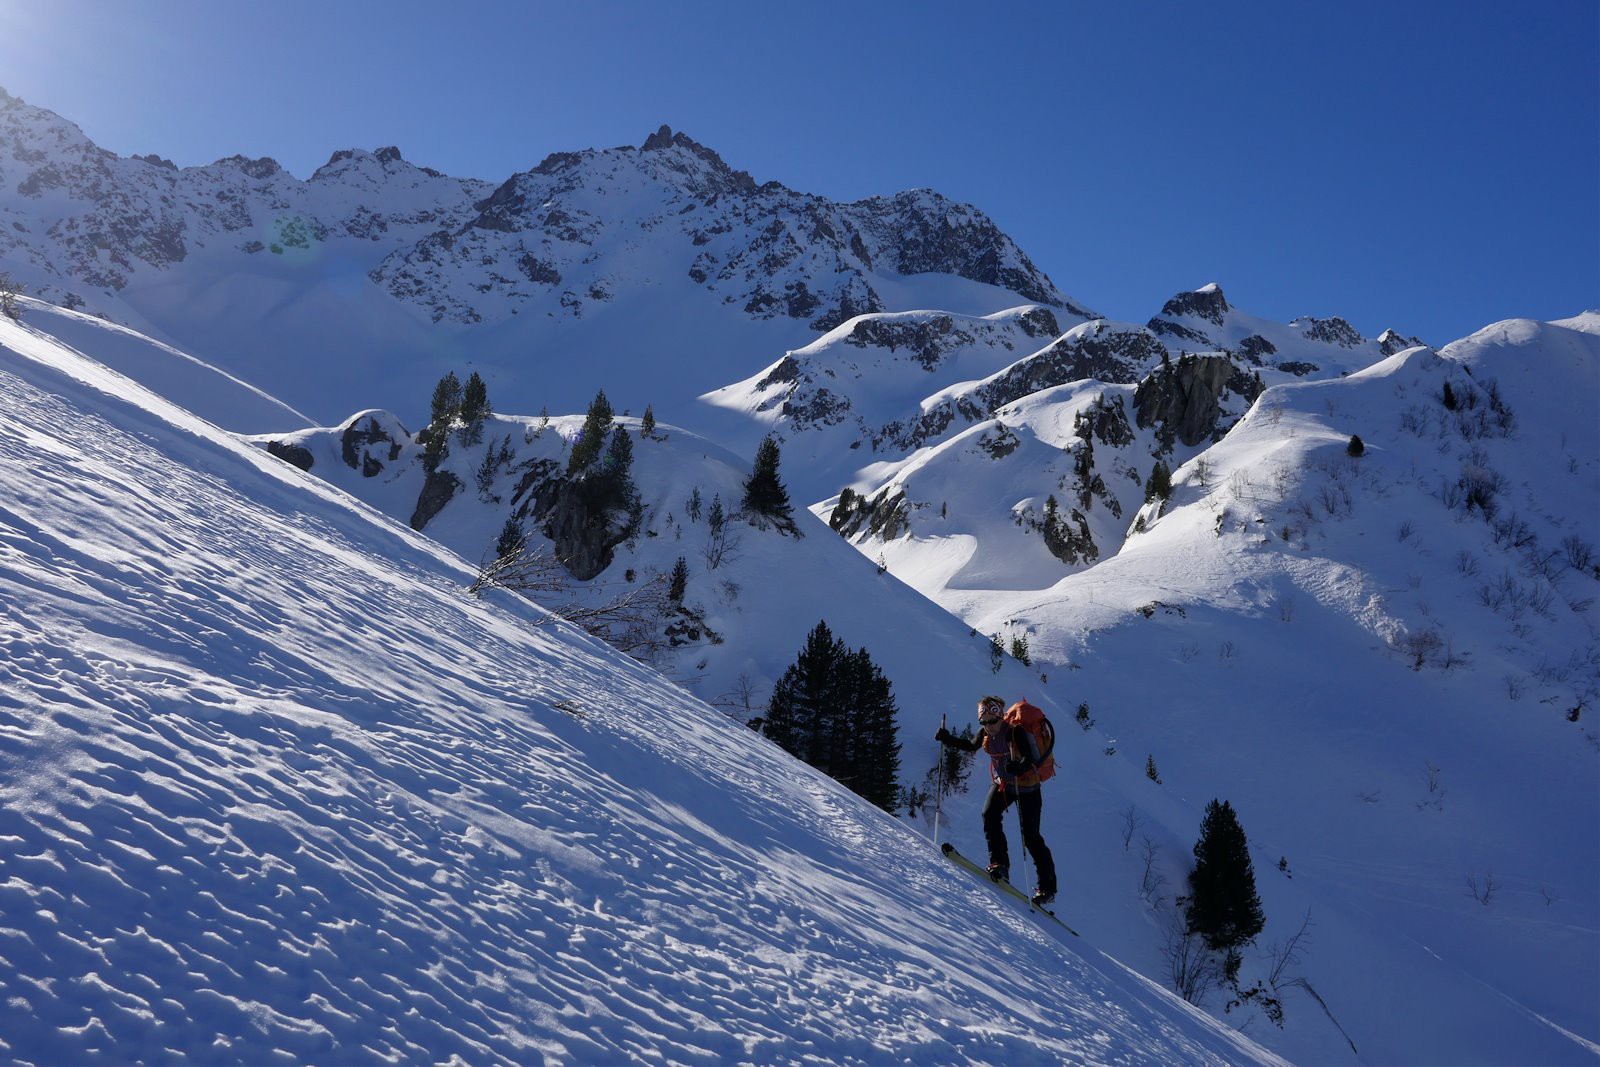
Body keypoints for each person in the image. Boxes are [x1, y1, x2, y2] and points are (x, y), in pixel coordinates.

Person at [936, 694, 1058, 905]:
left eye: (992, 721)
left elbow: (1031, 759)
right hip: (1004, 784)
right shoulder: (984, 733)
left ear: (1000, 717)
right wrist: (948, 739)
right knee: (989, 814)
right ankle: (999, 864)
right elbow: (971, 746)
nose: (988, 726)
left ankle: (1047, 888)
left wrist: (1019, 767)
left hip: (1027, 787)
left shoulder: (1015, 732)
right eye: (983, 722)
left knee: (1031, 837)